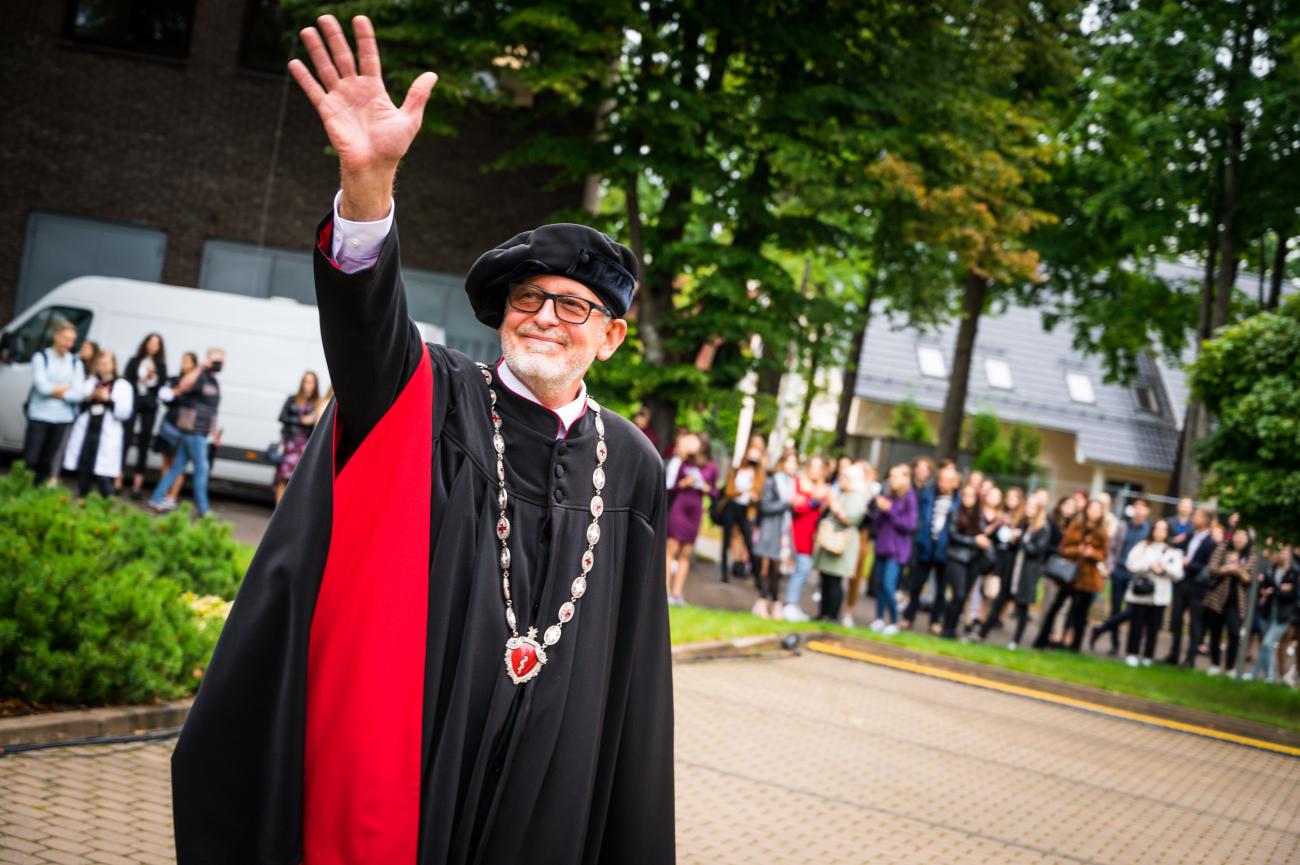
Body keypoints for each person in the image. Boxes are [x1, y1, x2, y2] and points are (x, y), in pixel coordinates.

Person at [174, 16, 674, 865]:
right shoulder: (436, 395)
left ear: (612, 335)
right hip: (420, 755)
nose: (543, 317)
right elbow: (367, 328)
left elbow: (635, 670)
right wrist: (368, 184)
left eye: (573, 305)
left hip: (554, 782)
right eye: (528, 297)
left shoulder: (631, 463)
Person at [149, 348, 223, 517]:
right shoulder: (199, 376)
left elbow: (213, 411)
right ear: (208, 360)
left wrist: (215, 434)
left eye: (221, 361)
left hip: (202, 432)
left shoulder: (214, 382)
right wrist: (201, 367)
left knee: (177, 467)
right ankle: (203, 510)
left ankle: (156, 497)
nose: (220, 364)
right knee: (202, 469)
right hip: (192, 430)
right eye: (216, 360)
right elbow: (182, 386)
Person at [1036, 499, 1108, 652]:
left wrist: (1092, 553)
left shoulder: (1102, 532)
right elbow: (1063, 548)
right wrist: (1078, 550)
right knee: (1056, 608)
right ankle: (1043, 639)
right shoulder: (1076, 526)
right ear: (1086, 510)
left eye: (1097, 510)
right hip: (1069, 577)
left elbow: (1104, 554)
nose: (1094, 512)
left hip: (1088, 579)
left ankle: (1074, 646)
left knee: (1080, 615)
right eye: (1092, 509)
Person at [980, 491, 1051, 648]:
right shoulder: (1022, 523)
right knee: (998, 603)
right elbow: (1009, 544)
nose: (1028, 509)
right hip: (1011, 572)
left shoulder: (1043, 528)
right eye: (1027, 505)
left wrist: (1020, 540)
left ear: (1038, 509)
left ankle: (1015, 641)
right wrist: (1011, 537)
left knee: (1022, 608)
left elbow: (1037, 550)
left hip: (1026, 574)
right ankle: (981, 633)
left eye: (1032, 506)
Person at [61, 349, 134, 497]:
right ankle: (83, 499)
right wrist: (90, 397)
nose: (104, 366)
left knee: (103, 475)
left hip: (107, 433)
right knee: (84, 468)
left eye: (107, 363)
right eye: (101, 363)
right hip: (88, 432)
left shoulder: (122, 385)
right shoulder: (90, 383)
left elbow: (125, 412)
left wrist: (108, 399)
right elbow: (78, 408)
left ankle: (107, 502)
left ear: (113, 365)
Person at [22, 320, 85, 484]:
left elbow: (79, 394)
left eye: (72, 340)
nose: (69, 344)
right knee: (31, 458)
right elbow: (42, 388)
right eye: (66, 339)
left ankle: (37, 491)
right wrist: (66, 387)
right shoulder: (41, 357)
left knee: (47, 460)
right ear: (56, 336)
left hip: (62, 418)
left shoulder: (75, 362)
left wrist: (55, 391)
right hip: (39, 415)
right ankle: (22, 490)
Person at [902, 459, 960, 633]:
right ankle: (908, 617)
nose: (944, 483)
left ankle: (935, 621)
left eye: (948, 481)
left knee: (941, 590)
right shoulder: (928, 494)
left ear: (955, 482)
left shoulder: (958, 501)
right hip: (926, 547)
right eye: (941, 479)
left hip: (945, 551)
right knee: (916, 585)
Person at [1089, 497, 1152, 655]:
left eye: (1143, 507)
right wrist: (1111, 567)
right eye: (1137, 507)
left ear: (1148, 511)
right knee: (1115, 609)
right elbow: (1112, 548)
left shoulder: (1148, 530)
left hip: (1136, 576)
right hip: (1119, 572)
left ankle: (1100, 630)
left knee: (1132, 611)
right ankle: (1115, 645)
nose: (1139, 510)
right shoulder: (1123, 526)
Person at [1120, 519, 1183, 667]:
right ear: (1152, 530)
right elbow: (1131, 565)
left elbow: (1179, 574)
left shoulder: (1173, 552)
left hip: (1160, 595)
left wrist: (1165, 568)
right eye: (1157, 528)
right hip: (1141, 592)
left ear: (1168, 532)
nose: (1160, 532)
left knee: (1154, 627)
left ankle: (1148, 655)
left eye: (1163, 529)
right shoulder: (1142, 546)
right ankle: (1132, 653)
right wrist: (1149, 565)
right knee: (1136, 624)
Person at [664, 431, 717, 606]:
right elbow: (672, 488)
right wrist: (683, 483)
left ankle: (677, 593)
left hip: (695, 511)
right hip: (679, 508)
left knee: (686, 553)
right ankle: (665, 591)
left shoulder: (711, 467)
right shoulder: (685, 463)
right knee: (671, 549)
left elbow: (715, 493)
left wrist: (707, 488)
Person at [813, 463, 869, 624]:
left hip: (842, 543)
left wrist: (834, 504)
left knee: (834, 580)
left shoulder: (857, 497)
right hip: (830, 541)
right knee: (826, 578)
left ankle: (832, 616)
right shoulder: (844, 493)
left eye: (844, 477)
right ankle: (823, 613)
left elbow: (850, 519)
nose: (840, 480)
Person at [1164, 507, 1216, 666]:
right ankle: (1173, 655)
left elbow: (1208, 568)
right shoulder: (1190, 535)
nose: (1193, 518)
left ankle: (1190, 659)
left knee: (1195, 624)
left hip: (1198, 588)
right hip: (1182, 583)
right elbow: (1177, 548)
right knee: (1176, 619)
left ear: (1206, 520)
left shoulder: (1211, 543)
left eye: (1197, 515)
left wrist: (1189, 563)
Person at [869, 463, 917, 633]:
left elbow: (909, 525)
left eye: (896, 476)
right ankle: (879, 618)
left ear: (906, 478)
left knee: (889, 585)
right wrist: (880, 509)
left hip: (896, 550)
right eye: (891, 476)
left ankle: (895, 621)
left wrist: (889, 510)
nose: (892, 480)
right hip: (882, 545)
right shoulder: (889, 495)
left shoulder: (909, 498)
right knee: (880, 585)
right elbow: (877, 523)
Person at [1202, 527, 1257, 676]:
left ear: (1248, 539)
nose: (1240, 539)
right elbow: (1212, 568)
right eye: (1237, 535)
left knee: (1234, 633)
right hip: (1217, 597)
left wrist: (1238, 570)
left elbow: (1249, 578)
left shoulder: (1251, 554)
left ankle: (1229, 667)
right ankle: (1215, 664)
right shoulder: (1223, 548)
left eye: (1243, 536)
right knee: (1215, 632)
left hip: (1237, 601)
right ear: (1233, 536)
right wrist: (1228, 568)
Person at [782, 455, 828, 621]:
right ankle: (789, 604)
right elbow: (797, 507)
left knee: (803, 568)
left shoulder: (822, 487)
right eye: (813, 466)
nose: (815, 470)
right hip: (797, 530)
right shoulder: (798, 483)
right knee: (803, 567)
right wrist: (814, 500)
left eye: (819, 467)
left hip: (811, 534)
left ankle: (793, 604)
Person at [752, 449, 797, 619]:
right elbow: (765, 506)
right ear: (783, 463)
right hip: (771, 530)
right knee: (768, 566)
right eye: (791, 462)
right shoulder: (772, 482)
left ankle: (774, 602)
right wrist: (787, 503)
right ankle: (763, 600)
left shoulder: (792, 483)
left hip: (784, 531)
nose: (794, 466)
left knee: (778, 569)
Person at [938, 485, 987, 638]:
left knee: (963, 596)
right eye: (965, 495)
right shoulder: (955, 513)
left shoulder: (980, 516)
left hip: (973, 560)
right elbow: (953, 535)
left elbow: (983, 533)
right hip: (956, 557)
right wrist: (974, 541)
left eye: (971, 496)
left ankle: (952, 629)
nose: (967, 499)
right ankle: (947, 627)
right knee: (958, 594)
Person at [123, 333, 168, 499]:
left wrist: (152, 378)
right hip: (133, 402)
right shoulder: (135, 361)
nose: (153, 345)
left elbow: (160, 388)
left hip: (149, 406)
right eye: (151, 342)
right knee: (126, 439)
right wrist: (141, 381)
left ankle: (137, 484)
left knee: (144, 442)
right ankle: (117, 479)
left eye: (156, 343)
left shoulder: (161, 366)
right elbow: (127, 380)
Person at [717, 436, 766, 582]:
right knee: (727, 539)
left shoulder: (759, 475)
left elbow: (758, 493)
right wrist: (742, 491)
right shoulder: (737, 470)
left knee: (749, 542)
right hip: (732, 506)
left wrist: (753, 495)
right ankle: (725, 573)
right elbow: (729, 491)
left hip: (746, 509)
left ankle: (756, 578)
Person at [151, 351, 197, 506]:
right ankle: (163, 494)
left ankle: (172, 496)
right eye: (183, 360)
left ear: (194, 364)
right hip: (169, 424)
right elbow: (164, 397)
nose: (184, 364)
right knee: (166, 461)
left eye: (188, 361)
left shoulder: (195, 383)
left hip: (183, 427)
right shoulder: (173, 379)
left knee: (178, 464)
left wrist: (178, 393)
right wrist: (173, 393)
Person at [979, 485, 1025, 634]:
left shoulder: (1021, 519)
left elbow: (1020, 543)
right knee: (987, 591)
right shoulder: (1000, 515)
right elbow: (989, 534)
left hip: (1008, 559)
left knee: (1000, 592)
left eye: (1014, 498)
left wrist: (1015, 535)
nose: (1011, 501)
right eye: (1009, 497)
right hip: (995, 556)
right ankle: (980, 618)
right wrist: (998, 523)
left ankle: (995, 618)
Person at [273, 371, 323, 504]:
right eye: (305, 381)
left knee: (298, 479)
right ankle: (278, 508)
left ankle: (290, 508)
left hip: (305, 446)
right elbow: (282, 417)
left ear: (315, 384)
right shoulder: (293, 399)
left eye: (310, 382)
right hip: (290, 444)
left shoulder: (318, 403)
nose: (307, 385)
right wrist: (301, 420)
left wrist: (313, 420)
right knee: (283, 477)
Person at [1250, 546, 1296, 683]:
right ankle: (1266, 677)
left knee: (1267, 643)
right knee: (1267, 646)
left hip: (1284, 615)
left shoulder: (1294, 572)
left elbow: (1293, 594)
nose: (1281, 553)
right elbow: (1262, 587)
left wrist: (1273, 591)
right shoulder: (1271, 569)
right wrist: (1275, 590)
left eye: (1284, 551)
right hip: (1268, 611)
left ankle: (1258, 675)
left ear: (1289, 554)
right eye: (1279, 551)